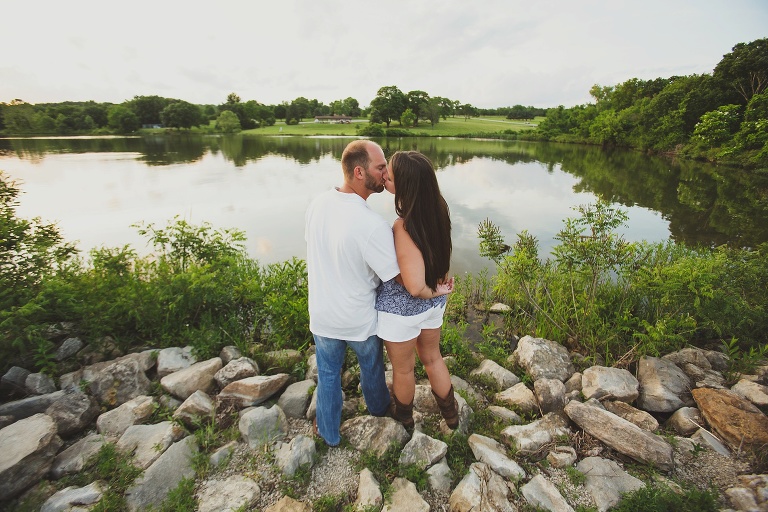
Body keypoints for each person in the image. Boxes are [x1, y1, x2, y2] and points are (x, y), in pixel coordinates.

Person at [305, 139, 399, 446]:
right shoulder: (371, 224)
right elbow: (394, 278)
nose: (386, 173)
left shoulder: (318, 202)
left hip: (322, 315)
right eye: (381, 166)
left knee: (328, 375)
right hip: (359, 320)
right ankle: (380, 414)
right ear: (359, 172)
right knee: (371, 368)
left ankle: (329, 434)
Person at [376, 150, 458, 430]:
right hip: (431, 309)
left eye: (389, 172)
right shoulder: (438, 212)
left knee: (403, 369)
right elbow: (440, 258)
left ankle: (404, 422)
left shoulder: (404, 226)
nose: (384, 174)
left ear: (406, 184)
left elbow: (413, 286)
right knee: (433, 359)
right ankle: (451, 417)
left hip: (404, 311)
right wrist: (439, 293)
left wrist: (434, 292)